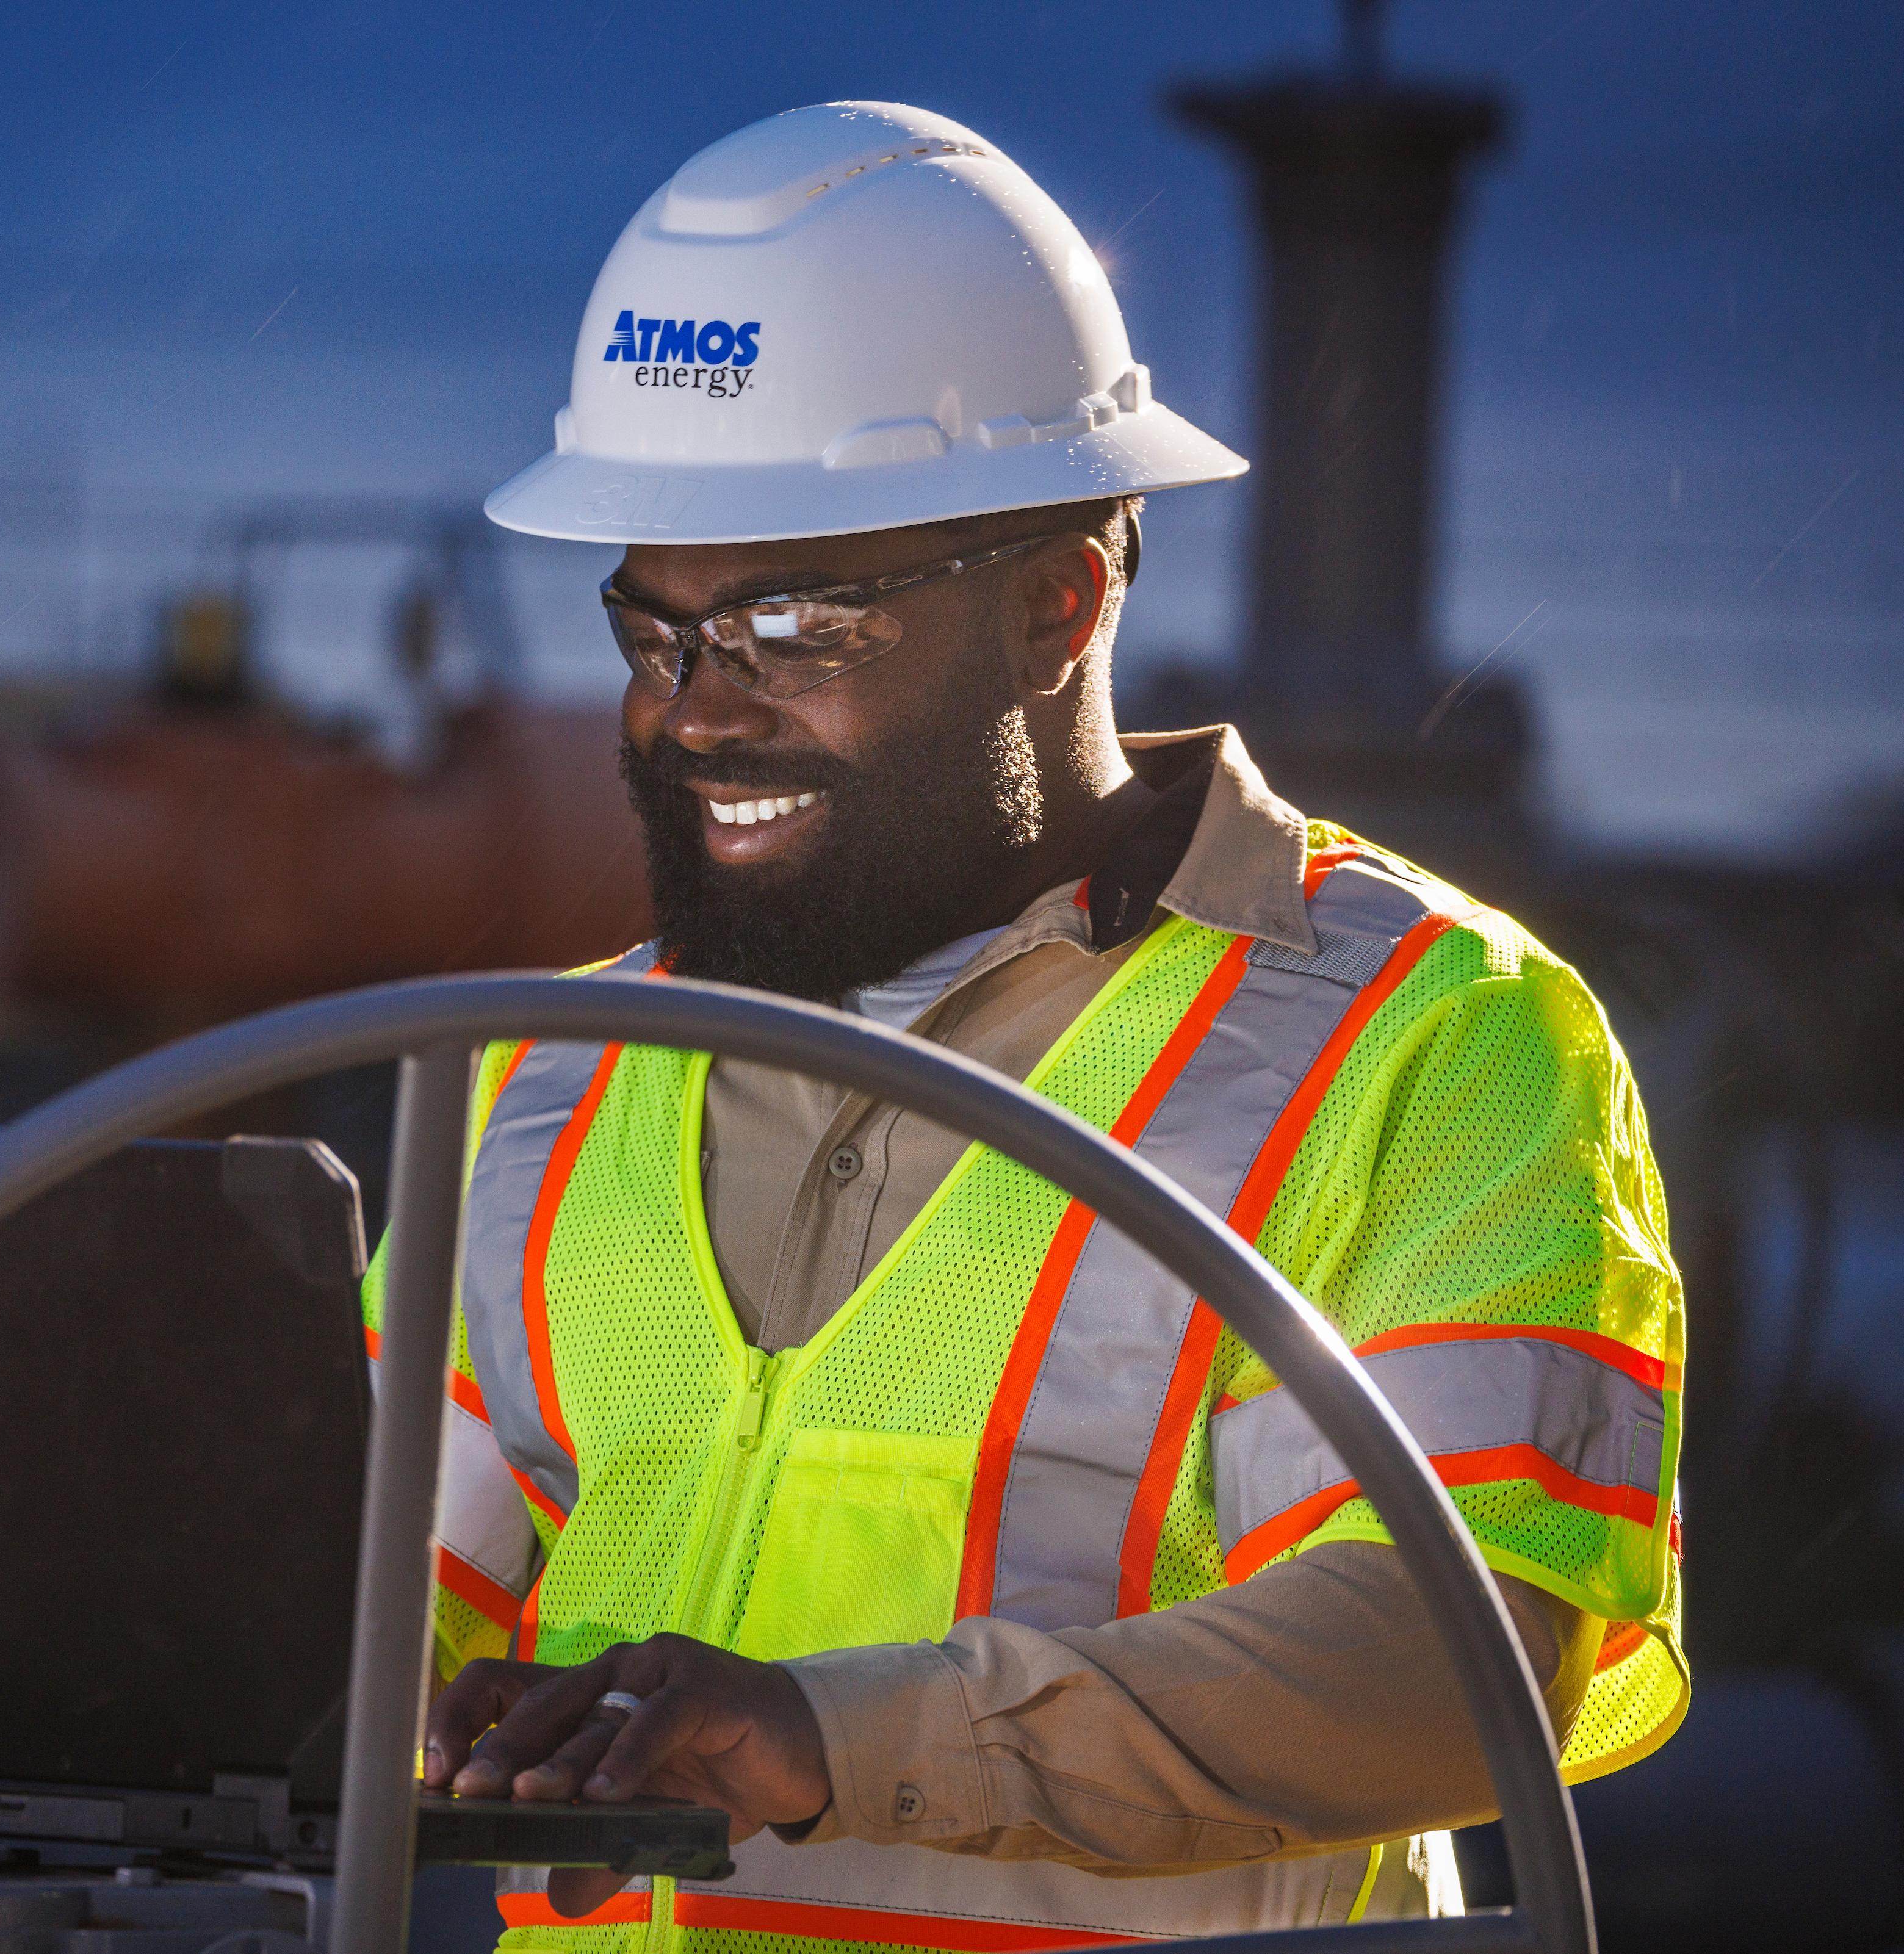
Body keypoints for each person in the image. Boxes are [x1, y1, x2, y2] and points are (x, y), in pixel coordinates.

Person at [365, 102, 1686, 1951]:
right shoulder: (546, 1076)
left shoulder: (1429, 1042)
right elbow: (333, 1629)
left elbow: (1456, 1657)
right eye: (653, 634)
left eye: (795, 626)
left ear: (1060, 600)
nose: (698, 714)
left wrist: (831, 1736)